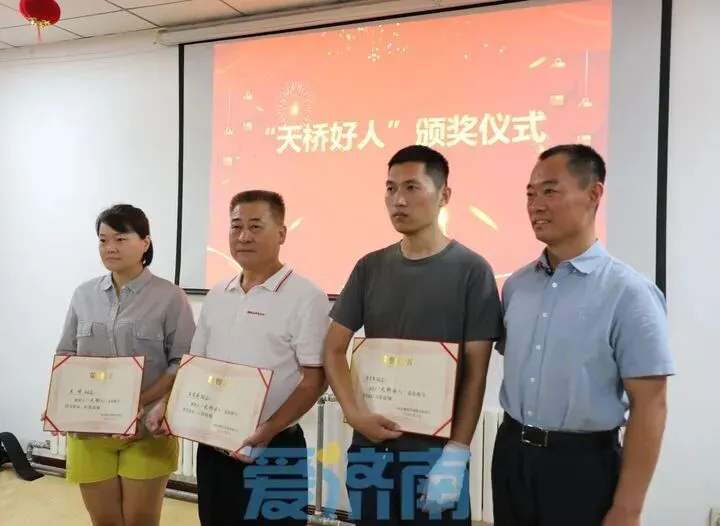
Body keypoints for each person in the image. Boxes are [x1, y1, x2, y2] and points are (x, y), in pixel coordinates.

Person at [491, 144, 675, 526]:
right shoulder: (517, 286)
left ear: (593, 194)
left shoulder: (630, 294)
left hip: (582, 466)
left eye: (550, 191)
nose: (536, 205)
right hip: (511, 455)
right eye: (530, 194)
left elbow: (651, 405)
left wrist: (628, 507)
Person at [322, 145, 504, 526]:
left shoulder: (472, 271)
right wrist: (354, 414)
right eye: (390, 189)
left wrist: (457, 453)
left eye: (411, 187)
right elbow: (334, 349)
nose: (398, 200)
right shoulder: (369, 267)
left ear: (444, 195)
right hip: (371, 450)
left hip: (434, 456)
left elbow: (476, 374)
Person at [147, 190, 330, 525]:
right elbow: (195, 364)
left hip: (273, 448)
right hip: (213, 446)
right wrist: (167, 405)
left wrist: (268, 429)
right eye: (236, 226)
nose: (244, 236)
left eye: (256, 226)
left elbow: (315, 380)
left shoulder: (307, 296)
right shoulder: (218, 294)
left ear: (281, 233)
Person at [47, 204, 196, 526]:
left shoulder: (170, 297)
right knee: (104, 520)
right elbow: (66, 355)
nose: (110, 248)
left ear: (145, 242)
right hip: (89, 430)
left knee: (141, 520)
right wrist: (57, 404)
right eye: (103, 240)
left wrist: (137, 402)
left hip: (147, 430)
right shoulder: (84, 294)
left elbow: (182, 362)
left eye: (120, 238)